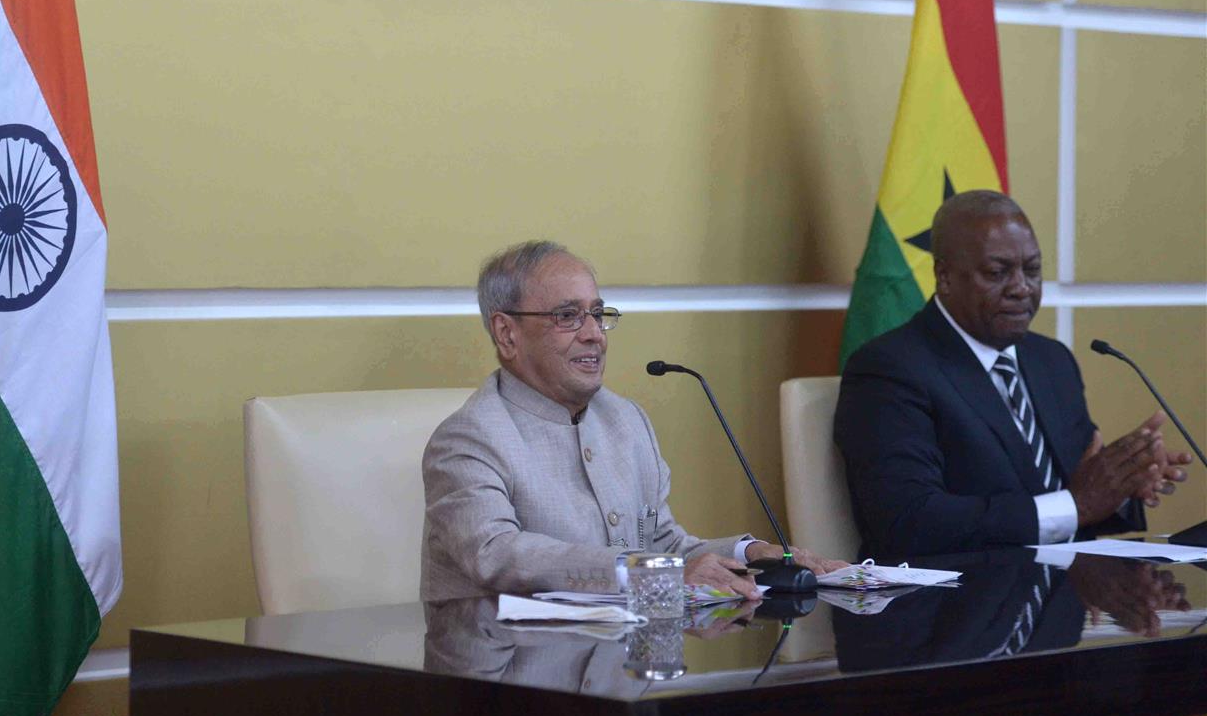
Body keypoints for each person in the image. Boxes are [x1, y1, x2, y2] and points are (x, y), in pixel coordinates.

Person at [421, 241, 845, 601]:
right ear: (507, 333)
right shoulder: (469, 439)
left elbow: (663, 545)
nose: (594, 334)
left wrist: (748, 554)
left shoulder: (625, 420)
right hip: (506, 678)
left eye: (598, 313)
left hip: (618, 670)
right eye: (567, 316)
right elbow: (497, 555)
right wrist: (652, 571)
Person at [835, 191, 1192, 557]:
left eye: (1033, 270)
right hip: (953, 605)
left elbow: (1079, 496)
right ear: (944, 276)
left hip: (1063, 597)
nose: (1022, 288)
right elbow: (907, 520)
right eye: (997, 273)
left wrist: (1121, 485)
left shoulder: (1051, 361)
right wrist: (1079, 504)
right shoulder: (891, 369)